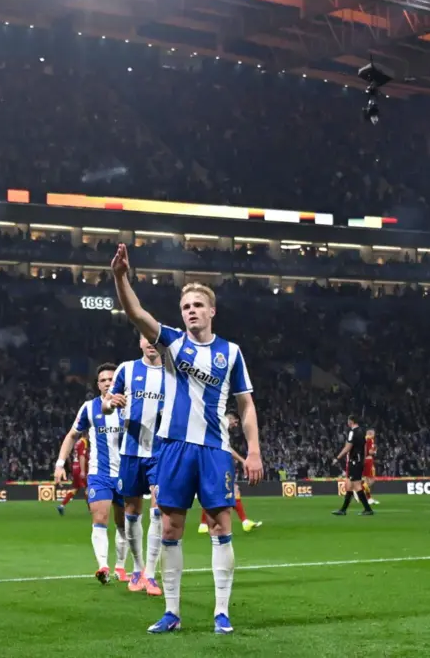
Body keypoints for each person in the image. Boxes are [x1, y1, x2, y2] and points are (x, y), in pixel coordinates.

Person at [111, 243, 263, 635]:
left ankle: (221, 612)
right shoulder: (173, 343)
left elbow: (246, 404)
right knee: (170, 528)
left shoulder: (231, 353)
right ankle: (172, 612)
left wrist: (254, 451)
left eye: (197, 305)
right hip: (173, 447)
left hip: (214, 449)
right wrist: (121, 277)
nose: (191, 311)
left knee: (220, 527)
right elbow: (136, 313)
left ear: (212, 311)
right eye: (185, 307)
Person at [55, 366, 126, 583]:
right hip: (99, 473)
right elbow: (72, 435)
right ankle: (103, 566)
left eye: (111, 379)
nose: (107, 383)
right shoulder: (89, 408)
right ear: (98, 384)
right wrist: (60, 464)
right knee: (100, 518)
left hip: (126, 473)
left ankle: (121, 567)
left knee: (124, 523)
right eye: (103, 380)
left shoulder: (130, 406)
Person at [113, 337, 166, 596]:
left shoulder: (173, 373)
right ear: (140, 342)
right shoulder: (126, 369)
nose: (151, 343)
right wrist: (112, 403)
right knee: (132, 511)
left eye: (155, 338)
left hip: (160, 452)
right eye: (146, 338)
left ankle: (151, 574)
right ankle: (137, 568)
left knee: (159, 510)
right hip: (131, 451)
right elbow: (107, 403)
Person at [199, 414, 262, 533]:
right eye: (235, 422)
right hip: (215, 463)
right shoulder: (219, 428)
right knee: (232, 490)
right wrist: (243, 460)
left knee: (218, 492)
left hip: (212, 462)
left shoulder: (217, 429)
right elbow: (228, 448)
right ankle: (244, 522)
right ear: (230, 419)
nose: (236, 425)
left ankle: (203, 525)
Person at [333, 415, 374, 516]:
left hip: (354, 461)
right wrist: (363, 460)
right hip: (359, 461)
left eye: (348, 421)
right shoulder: (362, 431)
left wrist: (337, 458)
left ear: (351, 421)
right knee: (349, 486)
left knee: (356, 485)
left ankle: (368, 509)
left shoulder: (352, 432)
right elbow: (364, 447)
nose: (347, 423)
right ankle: (343, 510)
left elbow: (347, 447)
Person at [56, 435, 88, 514]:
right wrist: (83, 470)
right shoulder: (83, 442)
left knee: (75, 489)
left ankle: (62, 505)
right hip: (80, 468)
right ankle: (91, 509)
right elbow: (81, 456)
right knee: (88, 488)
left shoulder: (77, 442)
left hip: (75, 467)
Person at [363, 429, 378, 505]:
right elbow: (370, 452)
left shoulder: (363, 439)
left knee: (367, 480)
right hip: (368, 460)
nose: (374, 435)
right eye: (373, 433)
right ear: (370, 433)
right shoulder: (370, 440)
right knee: (370, 480)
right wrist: (375, 450)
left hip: (364, 460)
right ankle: (359, 490)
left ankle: (368, 498)